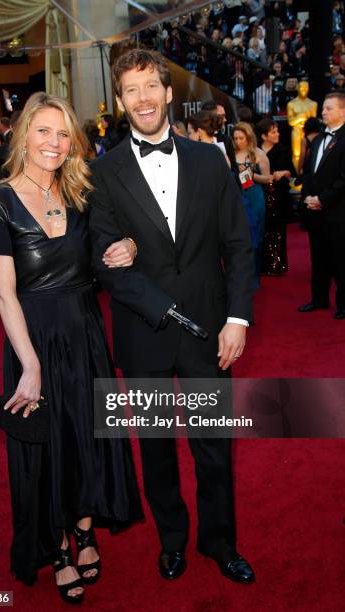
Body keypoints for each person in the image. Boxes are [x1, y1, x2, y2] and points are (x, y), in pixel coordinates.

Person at [89, 49, 255, 584]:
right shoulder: (103, 172)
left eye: (150, 87)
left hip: (211, 328)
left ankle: (220, 542)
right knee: (157, 450)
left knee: (213, 445)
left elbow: (239, 245)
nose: (142, 99)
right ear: (120, 100)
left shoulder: (210, 161)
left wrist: (238, 319)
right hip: (145, 332)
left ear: (168, 92)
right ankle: (174, 541)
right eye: (131, 90)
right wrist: (160, 303)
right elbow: (105, 259)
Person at [0, 91, 144, 603]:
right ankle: (57, 548)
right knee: (49, 446)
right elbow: (5, 297)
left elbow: (101, 254)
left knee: (89, 439)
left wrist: (128, 247)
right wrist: (29, 364)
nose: (54, 142)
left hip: (86, 333)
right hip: (36, 341)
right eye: (44, 131)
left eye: (63, 133)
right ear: (24, 134)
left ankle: (87, 528)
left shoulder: (81, 195)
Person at [299, 92, 345, 319]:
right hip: (315, 211)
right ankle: (319, 299)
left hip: (338, 212)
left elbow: (344, 180)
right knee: (318, 258)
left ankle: (344, 305)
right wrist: (308, 197)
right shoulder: (317, 139)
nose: (323, 112)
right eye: (324, 108)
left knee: (340, 258)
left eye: (329, 108)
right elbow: (308, 173)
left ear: (343, 111)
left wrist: (322, 199)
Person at [232, 121, 272, 285]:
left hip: (254, 196)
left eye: (241, 138)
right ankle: (240, 275)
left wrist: (252, 175)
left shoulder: (258, 154)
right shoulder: (230, 153)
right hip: (236, 197)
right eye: (235, 138)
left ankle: (255, 276)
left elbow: (268, 178)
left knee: (255, 237)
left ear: (248, 137)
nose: (238, 141)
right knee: (238, 238)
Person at [257, 118, 293, 275]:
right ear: (264, 136)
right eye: (273, 132)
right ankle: (261, 264)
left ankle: (277, 265)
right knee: (260, 229)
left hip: (277, 195)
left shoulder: (283, 150)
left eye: (277, 131)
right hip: (259, 193)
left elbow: (291, 171)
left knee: (277, 230)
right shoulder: (255, 150)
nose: (278, 134)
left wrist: (283, 172)